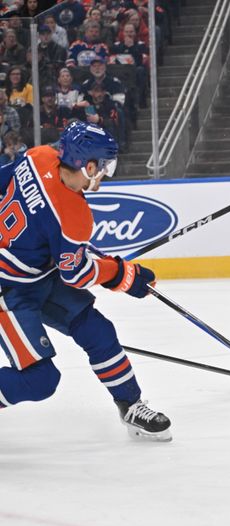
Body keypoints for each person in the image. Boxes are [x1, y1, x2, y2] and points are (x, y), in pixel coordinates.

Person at [0, 122, 171, 441]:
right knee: (40, 380)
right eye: (104, 167)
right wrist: (123, 275)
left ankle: (130, 405)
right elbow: (76, 274)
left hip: (37, 274)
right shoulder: (75, 214)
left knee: (97, 330)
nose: (105, 175)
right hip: (8, 290)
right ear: (88, 165)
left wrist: (55, 241)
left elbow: (4, 180)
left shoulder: (39, 156)